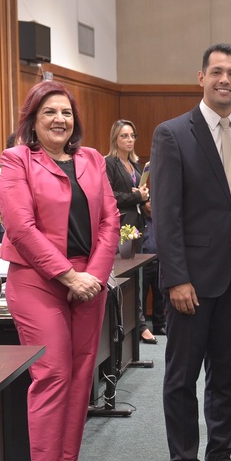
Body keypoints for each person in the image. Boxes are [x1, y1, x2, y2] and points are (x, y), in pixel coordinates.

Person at [0, 81, 120, 461]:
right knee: (52, 374)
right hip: (38, 280)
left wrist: (93, 277)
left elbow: (110, 220)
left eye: (66, 112)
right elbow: (20, 227)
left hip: (88, 279)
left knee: (82, 374)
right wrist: (68, 275)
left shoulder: (92, 160)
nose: (59, 119)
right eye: (49, 112)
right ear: (32, 119)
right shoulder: (17, 160)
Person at [151, 43, 231, 461]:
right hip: (190, 282)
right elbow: (166, 214)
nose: (224, 80)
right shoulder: (173, 134)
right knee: (182, 378)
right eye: (216, 71)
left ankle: (220, 458)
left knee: (226, 377)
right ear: (201, 78)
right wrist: (176, 277)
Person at [104, 119, 156, 344]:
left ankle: (138, 324)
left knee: (137, 277)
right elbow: (108, 195)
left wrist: (144, 198)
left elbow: (138, 196)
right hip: (120, 227)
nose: (129, 140)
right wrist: (137, 196)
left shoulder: (135, 165)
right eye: (124, 136)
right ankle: (132, 325)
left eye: (132, 136)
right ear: (115, 139)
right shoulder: (109, 163)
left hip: (138, 225)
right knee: (123, 278)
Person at [139, 161, 165, 336]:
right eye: (147, 201)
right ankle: (142, 325)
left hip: (159, 261)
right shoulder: (140, 221)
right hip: (144, 262)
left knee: (159, 296)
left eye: (152, 201)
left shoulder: (160, 220)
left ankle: (159, 325)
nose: (150, 204)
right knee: (141, 295)